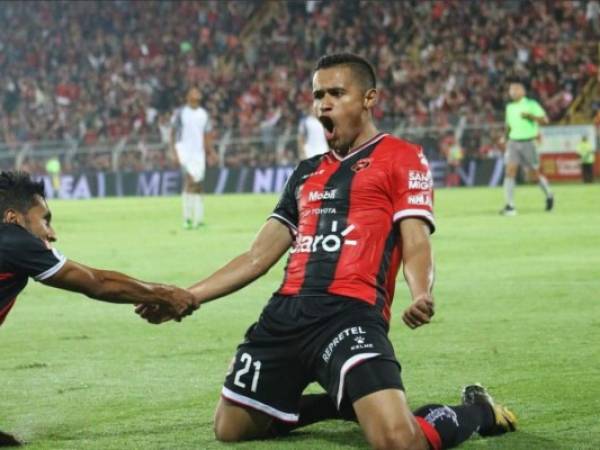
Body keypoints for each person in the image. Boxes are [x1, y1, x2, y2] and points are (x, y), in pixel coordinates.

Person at [138, 54, 517, 450]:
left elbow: (416, 239)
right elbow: (256, 257)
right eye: (319, 95)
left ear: (369, 98)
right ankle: (341, 403)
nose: (324, 104)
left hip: (349, 316)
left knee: (397, 442)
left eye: (337, 92)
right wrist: (189, 296)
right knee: (230, 429)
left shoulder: (403, 156)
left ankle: (478, 411)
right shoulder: (305, 172)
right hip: (284, 316)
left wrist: (421, 292)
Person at [0, 171, 197, 446]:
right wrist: (163, 294)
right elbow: (97, 283)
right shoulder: (12, 241)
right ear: (13, 219)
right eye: (45, 221)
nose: (52, 234)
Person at [500, 80, 553, 216]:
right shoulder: (510, 107)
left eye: (516, 89)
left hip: (528, 142)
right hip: (513, 142)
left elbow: (545, 120)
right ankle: (510, 206)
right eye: (511, 90)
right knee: (510, 171)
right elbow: (508, 126)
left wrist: (531, 116)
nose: (512, 92)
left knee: (534, 175)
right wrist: (504, 138)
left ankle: (549, 194)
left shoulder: (531, 104)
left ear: (522, 91)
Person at [170, 87, 216, 229]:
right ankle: (187, 219)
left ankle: (199, 220)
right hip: (184, 150)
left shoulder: (203, 114)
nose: (197, 94)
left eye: (198, 92)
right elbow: (172, 132)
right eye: (194, 92)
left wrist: (211, 152)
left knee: (199, 185)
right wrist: (173, 151)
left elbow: (207, 134)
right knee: (190, 181)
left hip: (198, 153)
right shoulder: (180, 113)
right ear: (187, 96)